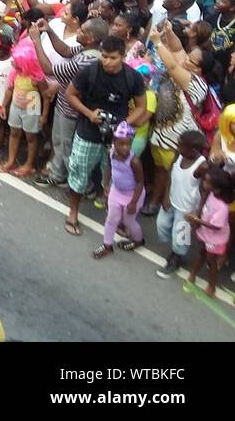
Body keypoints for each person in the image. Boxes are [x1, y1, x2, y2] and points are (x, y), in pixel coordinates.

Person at [62, 35, 146, 236]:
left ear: (123, 57)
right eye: (104, 56)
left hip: (116, 138)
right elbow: (70, 94)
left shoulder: (132, 77)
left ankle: (116, 218)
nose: (107, 61)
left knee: (116, 179)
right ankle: (73, 212)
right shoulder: (90, 72)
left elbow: (141, 107)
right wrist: (89, 113)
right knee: (79, 173)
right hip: (88, 132)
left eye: (112, 57)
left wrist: (124, 124)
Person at [156, 130, 208, 277]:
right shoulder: (179, 156)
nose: (178, 147)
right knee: (162, 225)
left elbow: (205, 190)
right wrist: (166, 196)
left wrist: (198, 212)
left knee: (181, 237)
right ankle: (175, 249)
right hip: (172, 201)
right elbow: (170, 174)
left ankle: (176, 258)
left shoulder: (202, 166)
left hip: (186, 209)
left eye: (181, 145)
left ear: (194, 150)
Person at [93, 121, 146, 259]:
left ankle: (138, 240)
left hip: (133, 194)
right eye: (122, 144)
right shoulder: (111, 153)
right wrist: (106, 184)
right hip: (117, 191)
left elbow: (140, 182)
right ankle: (107, 245)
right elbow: (110, 168)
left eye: (128, 144)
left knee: (129, 221)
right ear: (114, 142)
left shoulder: (134, 161)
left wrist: (133, 202)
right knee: (111, 219)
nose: (126, 147)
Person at [186, 167, 233, 297]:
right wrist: (197, 214)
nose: (204, 183)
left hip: (215, 239)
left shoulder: (222, 207)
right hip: (206, 234)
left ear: (217, 188)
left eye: (207, 182)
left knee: (211, 260)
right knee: (201, 253)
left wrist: (196, 220)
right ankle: (193, 274)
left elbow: (216, 226)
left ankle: (212, 286)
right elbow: (204, 203)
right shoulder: (211, 194)